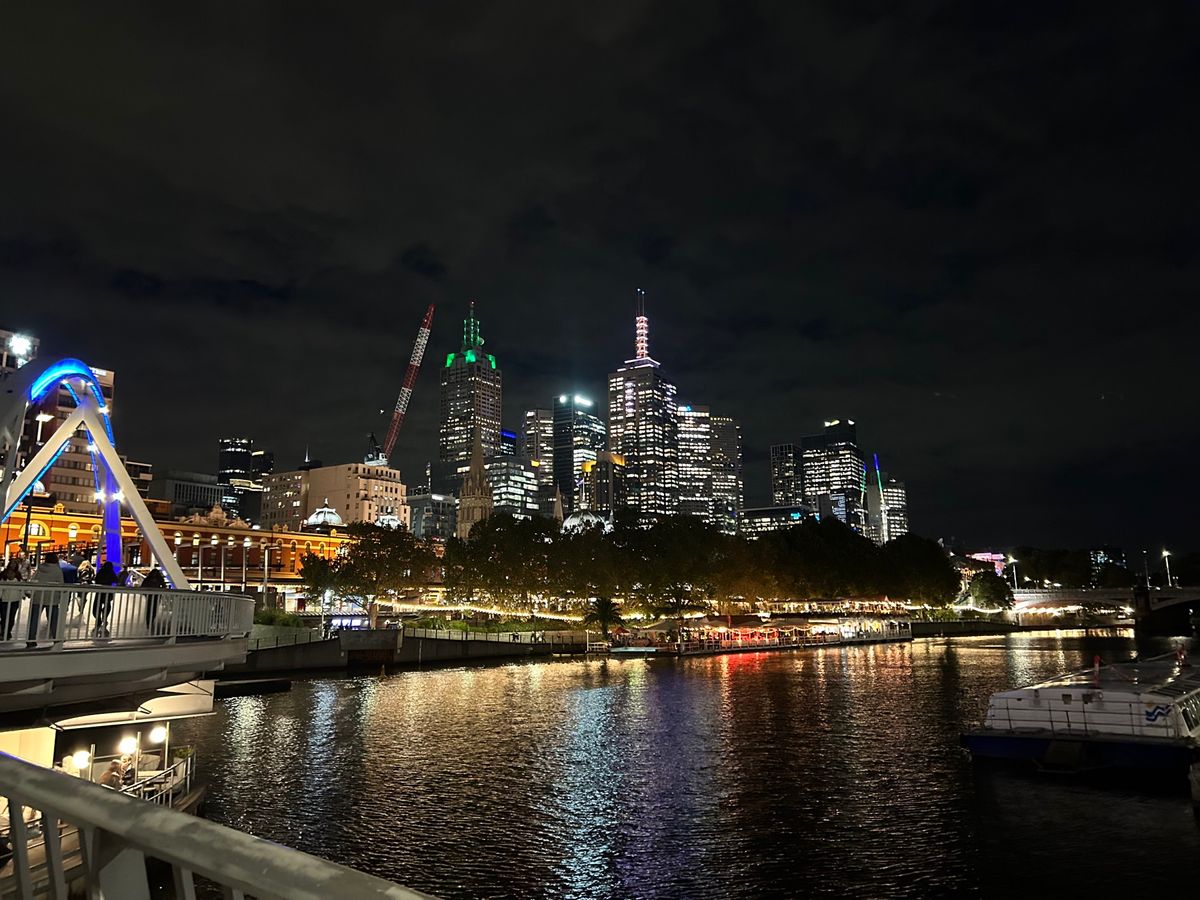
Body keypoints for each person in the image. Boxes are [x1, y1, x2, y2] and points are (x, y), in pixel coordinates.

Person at [27, 553, 64, 649]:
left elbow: (33, 580)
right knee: (53, 619)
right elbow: (61, 584)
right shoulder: (57, 570)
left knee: (34, 619)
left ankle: (31, 639)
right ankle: (56, 638)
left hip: (38, 596)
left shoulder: (40, 568)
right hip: (52, 597)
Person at [93, 561, 119, 637]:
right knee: (107, 605)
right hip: (108, 592)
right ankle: (104, 617)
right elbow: (116, 580)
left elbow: (96, 580)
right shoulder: (111, 572)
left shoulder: (100, 572)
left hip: (100, 592)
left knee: (97, 605)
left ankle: (98, 618)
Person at [0, 558, 23, 641]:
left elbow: (21, 586)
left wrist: (23, 594)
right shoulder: (3, 574)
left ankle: (7, 632)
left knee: (11, 617)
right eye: (12, 563)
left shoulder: (18, 575)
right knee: (4, 617)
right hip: (4, 599)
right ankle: (4, 632)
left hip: (15, 599)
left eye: (14, 563)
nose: (13, 565)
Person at [142, 568, 166, 633]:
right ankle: (150, 622)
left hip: (151, 596)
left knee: (150, 609)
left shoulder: (148, 579)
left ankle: (149, 623)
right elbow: (164, 586)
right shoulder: (159, 579)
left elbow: (142, 587)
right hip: (156, 596)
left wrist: (146, 594)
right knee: (153, 609)